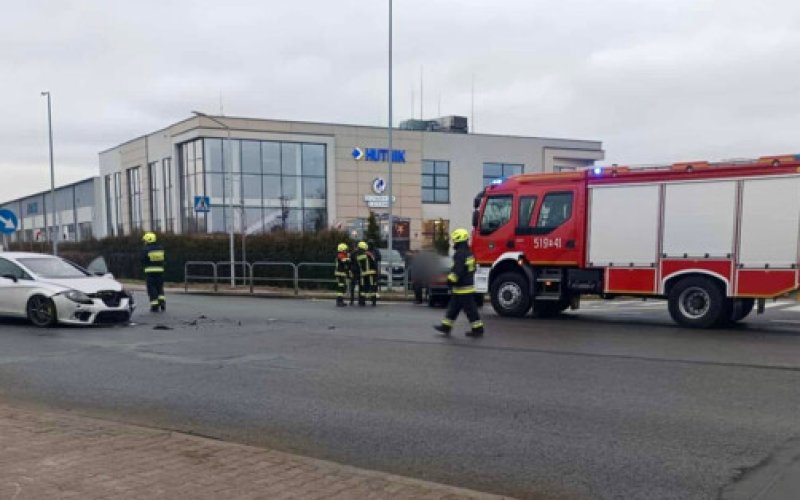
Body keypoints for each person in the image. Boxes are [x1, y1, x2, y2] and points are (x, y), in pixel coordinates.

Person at [434, 228, 484, 337]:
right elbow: (472, 268)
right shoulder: (468, 253)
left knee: (470, 310)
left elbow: (458, 269)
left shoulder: (460, 254)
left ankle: (478, 329)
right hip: (464, 287)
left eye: (454, 240)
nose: (453, 243)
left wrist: (450, 280)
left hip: (463, 288)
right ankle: (446, 326)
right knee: (453, 309)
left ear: (459, 240)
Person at [141, 232, 166, 312]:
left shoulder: (146, 249)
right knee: (160, 288)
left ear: (148, 240)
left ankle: (154, 306)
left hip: (150, 272)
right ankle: (162, 303)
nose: (144, 242)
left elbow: (143, 260)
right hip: (160, 271)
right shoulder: (160, 248)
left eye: (145, 240)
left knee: (152, 289)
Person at [354, 241, 377, 306]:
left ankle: (362, 301)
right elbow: (374, 263)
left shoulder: (358, 255)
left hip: (363, 274)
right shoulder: (368, 254)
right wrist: (376, 272)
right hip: (371, 273)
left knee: (362, 288)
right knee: (372, 287)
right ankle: (373, 301)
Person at [334, 243, 351, 307]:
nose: (346, 251)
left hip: (342, 274)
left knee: (342, 287)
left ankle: (341, 301)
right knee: (340, 288)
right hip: (339, 273)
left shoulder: (342, 255)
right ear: (342, 249)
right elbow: (344, 261)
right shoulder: (340, 255)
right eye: (345, 250)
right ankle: (339, 301)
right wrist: (349, 258)